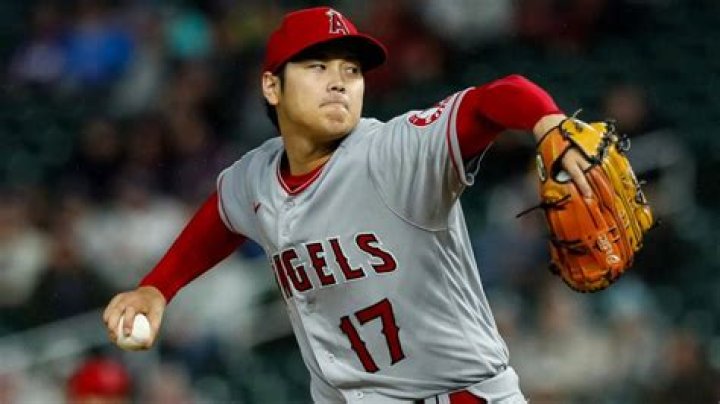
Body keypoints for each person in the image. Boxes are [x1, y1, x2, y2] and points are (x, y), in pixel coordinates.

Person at [103, 6, 594, 403]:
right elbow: (221, 217)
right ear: (272, 86)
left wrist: (546, 121)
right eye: (318, 67)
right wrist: (157, 287)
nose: (339, 81)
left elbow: (494, 99)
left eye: (351, 70)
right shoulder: (255, 176)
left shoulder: (394, 152)